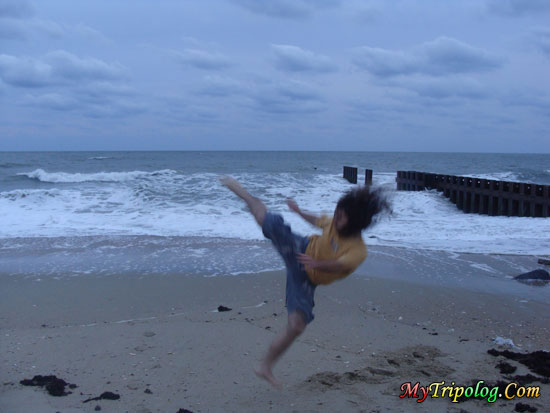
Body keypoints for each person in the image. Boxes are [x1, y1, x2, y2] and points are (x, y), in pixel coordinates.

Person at [220, 176, 390, 388]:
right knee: (268, 220)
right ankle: (245, 194)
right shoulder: (335, 221)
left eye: (342, 218)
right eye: (337, 213)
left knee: (297, 325)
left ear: (356, 224)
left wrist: (317, 264)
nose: (336, 219)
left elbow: (339, 265)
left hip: (308, 276)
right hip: (300, 248)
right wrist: (299, 212)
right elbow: (319, 220)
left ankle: (265, 366)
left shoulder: (358, 251)